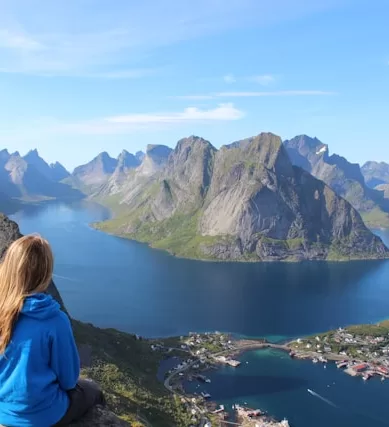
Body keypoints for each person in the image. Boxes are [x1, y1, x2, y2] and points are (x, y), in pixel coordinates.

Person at [0, 235, 105, 427]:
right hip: (42, 416)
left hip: (3, 413)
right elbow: (68, 381)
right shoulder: (53, 320)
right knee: (92, 391)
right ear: (46, 272)